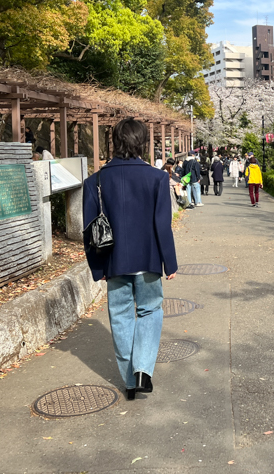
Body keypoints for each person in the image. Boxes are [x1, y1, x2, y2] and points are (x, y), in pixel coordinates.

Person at [82, 118, 178, 401]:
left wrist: (97, 268)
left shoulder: (95, 181)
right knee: (150, 310)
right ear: (142, 142)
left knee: (121, 317)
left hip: (113, 262)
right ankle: (142, 370)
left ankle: (129, 380)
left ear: (115, 142)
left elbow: (90, 230)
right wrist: (169, 263)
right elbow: (162, 225)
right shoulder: (157, 178)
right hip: (148, 260)